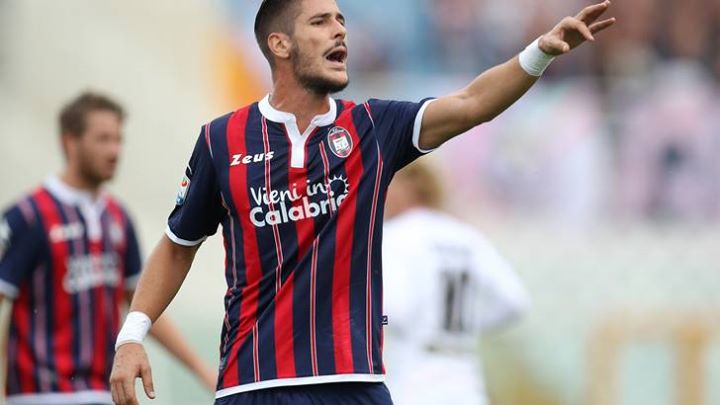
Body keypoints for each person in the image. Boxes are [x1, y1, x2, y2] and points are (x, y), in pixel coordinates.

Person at [110, 1, 615, 404]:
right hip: (255, 383)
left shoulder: (372, 126)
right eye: (320, 22)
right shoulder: (222, 140)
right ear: (279, 43)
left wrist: (538, 54)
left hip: (355, 384)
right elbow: (178, 245)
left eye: (342, 20)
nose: (340, 31)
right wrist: (132, 335)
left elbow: (471, 104)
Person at [0, 92, 216, 405]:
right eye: (103, 139)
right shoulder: (28, 217)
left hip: (102, 393)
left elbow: (141, 302)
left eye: (118, 140)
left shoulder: (117, 218)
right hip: (40, 396)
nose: (115, 151)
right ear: (70, 142)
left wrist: (201, 369)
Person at [382, 159, 530, 405]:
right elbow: (515, 302)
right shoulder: (466, 236)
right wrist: (465, 322)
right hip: (465, 377)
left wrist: (372, 318)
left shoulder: (395, 236)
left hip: (415, 376)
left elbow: (396, 310)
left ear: (402, 189)